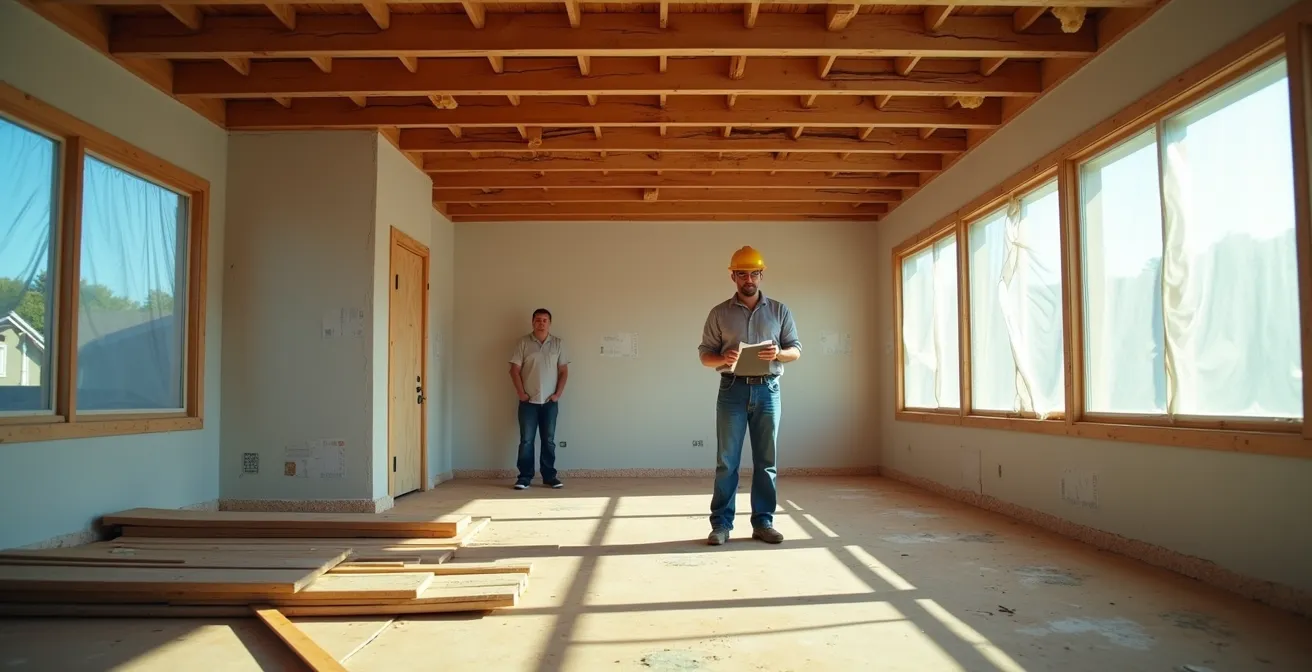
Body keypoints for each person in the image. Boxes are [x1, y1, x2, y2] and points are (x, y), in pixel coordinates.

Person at [697, 246, 801, 546]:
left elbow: (796, 349)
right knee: (726, 462)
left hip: (768, 390)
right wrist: (723, 358)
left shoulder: (779, 311)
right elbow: (704, 355)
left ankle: (763, 523)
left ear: (761, 275)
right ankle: (721, 525)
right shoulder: (719, 313)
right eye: (742, 274)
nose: (748, 279)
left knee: (766, 461)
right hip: (732, 389)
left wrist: (778, 353)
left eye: (754, 273)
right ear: (733, 276)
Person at [509, 308, 570, 490]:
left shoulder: (558, 343)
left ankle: (549, 476)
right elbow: (514, 370)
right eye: (538, 320)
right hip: (528, 402)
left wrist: (557, 394)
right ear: (532, 322)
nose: (541, 323)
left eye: (544, 320)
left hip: (550, 402)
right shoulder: (523, 342)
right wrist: (521, 394)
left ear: (549, 323)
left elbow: (564, 371)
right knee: (526, 441)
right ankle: (524, 477)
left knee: (548, 441)